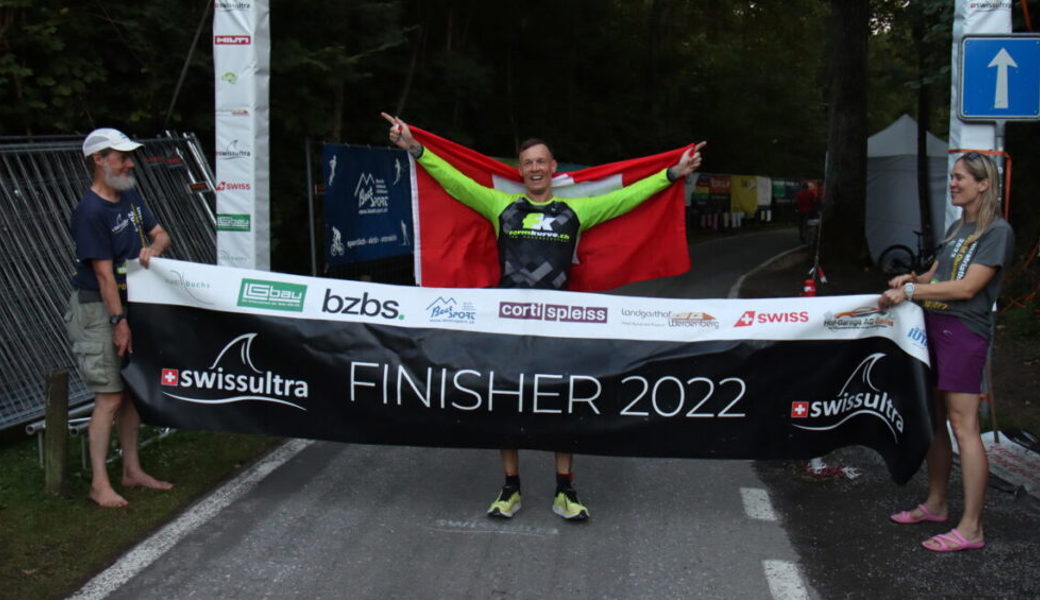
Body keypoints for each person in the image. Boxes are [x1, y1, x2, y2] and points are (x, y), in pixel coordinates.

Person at [383, 112, 704, 520]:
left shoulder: (577, 211)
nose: (535, 168)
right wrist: (415, 147)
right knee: (506, 402)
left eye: (541, 162)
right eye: (528, 163)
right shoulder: (500, 204)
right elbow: (454, 182)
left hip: (558, 322)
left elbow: (628, 198)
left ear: (553, 168)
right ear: (521, 171)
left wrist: (673, 174)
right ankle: (510, 488)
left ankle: (564, 490)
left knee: (561, 402)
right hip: (508, 321)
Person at [879, 152, 1014, 552]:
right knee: (935, 419)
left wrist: (911, 290)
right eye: (952, 177)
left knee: (964, 427)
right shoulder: (959, 225)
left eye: (960, 178)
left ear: (983, 184)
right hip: (933, 330)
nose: (953, 184)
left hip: (964, 334)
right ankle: (936, 504)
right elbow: (939, 275)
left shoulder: (997, 231)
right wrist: (913, 278)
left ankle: (972, 528)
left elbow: (966, 288)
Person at [65, 127, 173, 507]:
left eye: (129, 156)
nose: (130, 163)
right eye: (121, 156)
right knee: (109, 396)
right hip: (100, 310)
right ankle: (98, 484)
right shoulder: (90, 212)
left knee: (130, 391)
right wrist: (118, 322)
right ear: (98, 160)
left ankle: (131, 470)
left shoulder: (128, 194)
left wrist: (154, 249)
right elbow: (103, 274)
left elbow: (160, 233)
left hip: (133, 304)